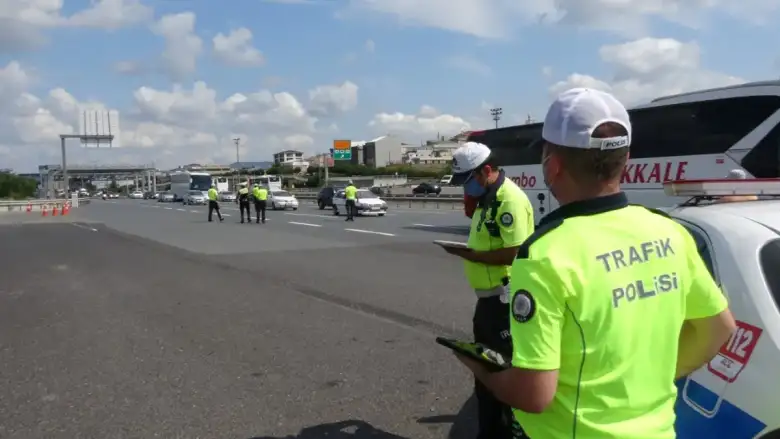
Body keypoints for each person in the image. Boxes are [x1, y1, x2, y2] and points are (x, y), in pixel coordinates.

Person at [454, 88, 737, 439]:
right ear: (626, 158)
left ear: (553, 165)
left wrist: (482, 369)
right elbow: (720, 329)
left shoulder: (545, 255)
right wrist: (647, 379)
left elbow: (533, 395)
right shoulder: (670, 232)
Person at [442, 141, 535, 439]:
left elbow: (516, 252)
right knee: (486, 374)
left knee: (501, 373)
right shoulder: (487, 198)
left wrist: (471, 256)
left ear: (486, 170)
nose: (465, 188)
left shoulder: (509, 200)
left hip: (504, 302)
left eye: (468, 181)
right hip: (489, 301)